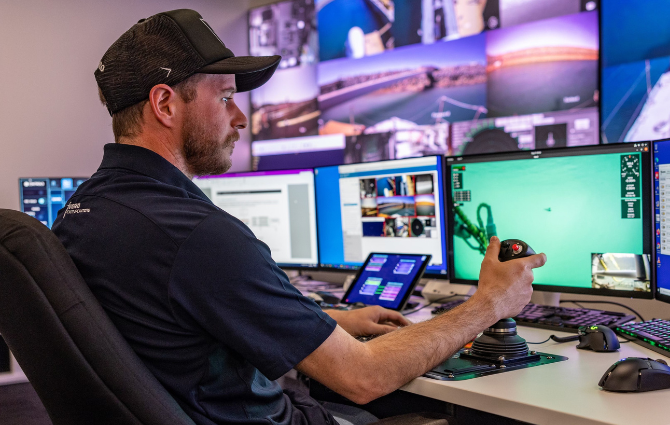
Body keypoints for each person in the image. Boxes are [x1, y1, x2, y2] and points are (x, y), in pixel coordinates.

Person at [52, 9, 546, 425]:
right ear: (164, 104)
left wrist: (327, 321)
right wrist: (490, 302)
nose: (240, 118)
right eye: (225, 97)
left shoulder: (84, 214)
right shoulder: (198, 235)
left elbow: (178, 321)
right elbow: (364, 378)